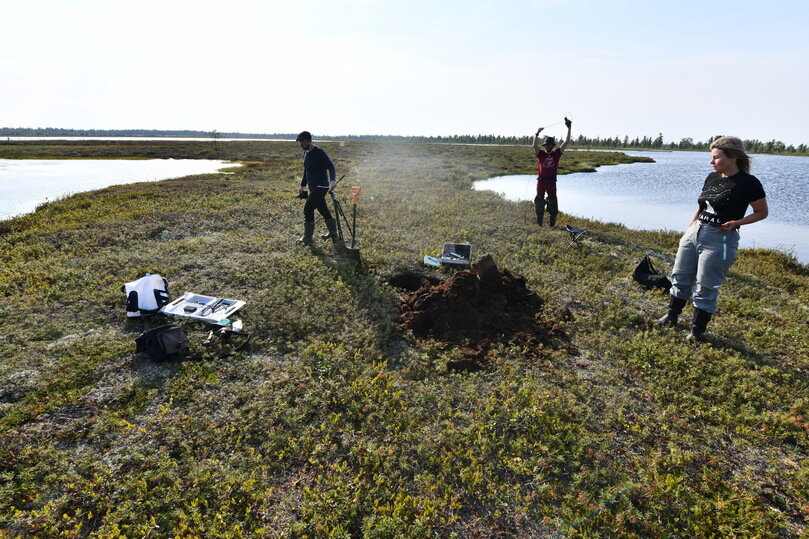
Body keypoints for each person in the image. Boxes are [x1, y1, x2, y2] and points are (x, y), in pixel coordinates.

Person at [658, 136, 768, 341]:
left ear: (732, 157)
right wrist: (689, 230)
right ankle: (671, 316)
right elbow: (701, 206)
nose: (711, 162)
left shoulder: (748, 183)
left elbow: (761, 212)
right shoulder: (712, 177)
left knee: (706, 285)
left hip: (720, 238)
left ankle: (696, 331)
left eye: (716, 158)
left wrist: (736, 223)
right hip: (695, 233)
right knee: (680, 275)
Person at [295, 131, 338, 245]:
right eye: (300, 142)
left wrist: (333, 180)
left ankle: (307, 238)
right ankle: (333, 232)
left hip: (321, 186)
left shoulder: (319, 152)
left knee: (308, 209)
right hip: (313, 186)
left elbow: (330, 166)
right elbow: (306, 170)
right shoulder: (306, 153)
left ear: (309, 141)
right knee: (322, 209)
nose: (301, 144)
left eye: (302, 142)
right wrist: (303, 184)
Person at [532, 117, 572, 227]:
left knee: (553, 203)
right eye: (546, 145)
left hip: (552, 182)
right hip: (541, 182)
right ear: (544, 146)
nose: (547, 146)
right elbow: (534, 146)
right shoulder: (540, 154)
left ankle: (552, 226)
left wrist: (569, 128)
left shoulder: (556, 153)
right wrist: (537, 134)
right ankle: (539, 225)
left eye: (549, 144)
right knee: (539, 202)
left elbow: (567, 141)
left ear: (552, 145)